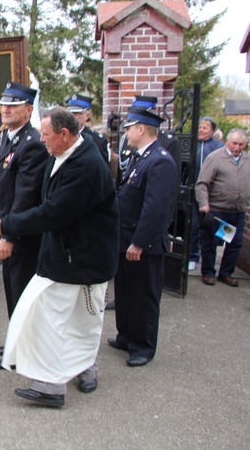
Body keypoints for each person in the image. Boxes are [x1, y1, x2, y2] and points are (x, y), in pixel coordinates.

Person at [0, 107, 119, 407]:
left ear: (65, 134)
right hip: (66, 255)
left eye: (47, 135)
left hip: (84, 259)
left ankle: (56, 383)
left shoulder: (85, 167)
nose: (42, 140)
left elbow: (54, 211)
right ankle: (65, 374)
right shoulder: (63, 154)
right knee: (52, 316)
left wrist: (5, 225)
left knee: (71, 318)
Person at [0, 82, 48, 369]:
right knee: (11, 290)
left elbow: (25, 196)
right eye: (4, 104)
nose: (5, 109)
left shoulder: (32, 143)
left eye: (13, 105)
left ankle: (23, 353)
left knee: (22, 293)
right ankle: (15, 343)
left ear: (28, 110)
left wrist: (9, 235)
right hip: (8, 226)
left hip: (21, 234)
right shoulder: (7, 138)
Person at [110, 105, 177, 367]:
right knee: (126, 293)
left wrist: (139, 242)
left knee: (143, 297)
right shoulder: (142, 156)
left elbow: (156, 209)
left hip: (142, 244)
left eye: (128, 128)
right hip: (126, 239)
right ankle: (126, 336)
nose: (126, 133)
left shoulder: (159, 160)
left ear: (141, 129)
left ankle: (143, 346)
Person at [195, 128, 250, 287]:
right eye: (234, 143)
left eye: (241, 144)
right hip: (218, 209)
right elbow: (202, 183)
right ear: (227, 141)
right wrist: (204, 204)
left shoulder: (247, 159)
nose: (237, 147)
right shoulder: (215, 158)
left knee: (235, 243)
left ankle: (226, 273)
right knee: (211, 241)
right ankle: (208, 272)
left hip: (238, 211)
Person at [187, 117, 224, 271]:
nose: (201, 130)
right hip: (193, 190)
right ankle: (193, 255)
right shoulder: (190, 144)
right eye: (200, 126)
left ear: (212, 130)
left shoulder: (218, 146)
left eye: (205, 127)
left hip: (213, 194)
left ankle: (208, 257)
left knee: (211, 226)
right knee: (193, 225)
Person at [65, 94, 109, 164]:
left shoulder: (97, 141)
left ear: (87, 116)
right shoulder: (61, 136)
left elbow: (103, 171)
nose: (73, 117)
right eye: (70, 113)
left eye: (77, 113)